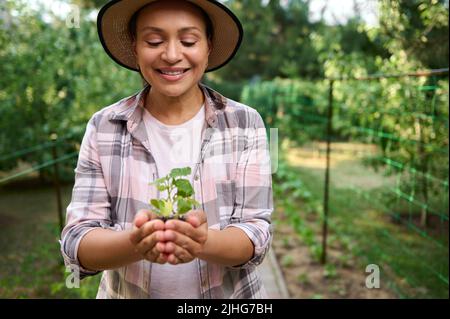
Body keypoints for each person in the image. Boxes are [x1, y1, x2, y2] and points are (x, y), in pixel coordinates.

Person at [60, 0, 273, 299]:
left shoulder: (245, 124)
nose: (172, 55)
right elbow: (77, 241)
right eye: (154, 41)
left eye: (188, 41)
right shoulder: (105, 126)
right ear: (135, 47)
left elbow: (256, 232)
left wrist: (203, 242)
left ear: (208, 46)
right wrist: (135, 243)